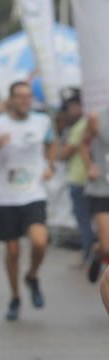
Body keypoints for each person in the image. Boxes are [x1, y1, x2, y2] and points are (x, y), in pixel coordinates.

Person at [0, 81, 57, 321]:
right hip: (6, 196)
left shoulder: (42, 121)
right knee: (12, 250)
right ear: (11, 99)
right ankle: (15, 296)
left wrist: (50, 165)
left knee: (40, 242)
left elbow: (51, 142)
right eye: (20, 97)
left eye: (28, 96)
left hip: (33, 192)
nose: (25, 101)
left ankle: (32, 276)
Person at [60, 93, 93, 267]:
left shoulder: (81, 126)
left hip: (80, 179)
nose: (70, 111)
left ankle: (87, 255)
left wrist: (60, 152)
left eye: (73, 106)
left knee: (84, 220)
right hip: (88, 180)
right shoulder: (88, 124)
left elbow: (67, 152)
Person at [80, 106, 109, 283]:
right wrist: (90, 165)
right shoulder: (97, 116)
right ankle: (99, 254)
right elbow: (83, 144)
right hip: (102, 189)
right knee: (108, 248)